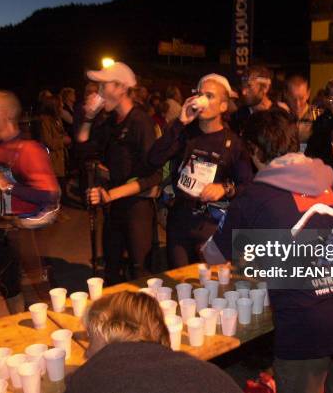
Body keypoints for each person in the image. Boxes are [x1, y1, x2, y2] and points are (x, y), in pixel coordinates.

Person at [202, 109, 333, 393]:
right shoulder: (331, 179)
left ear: (256, 151)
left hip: (308, 320)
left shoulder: (254, 195)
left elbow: (214, 255)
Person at [148, 73, 253, 269]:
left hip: (212, 226)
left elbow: (247, 185)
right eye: (200, 93)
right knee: (181, 284)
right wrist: (180, 122)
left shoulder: (234, 144)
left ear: (223, 106)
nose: (202, 99)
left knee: (211, 287)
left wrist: (224, 188)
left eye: (210, 95)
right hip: (180, 220)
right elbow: (154, 159)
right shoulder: (184, 133)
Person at [79, 62, 162, 284]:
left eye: (103, 86)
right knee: (111, 268)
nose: (99, 92)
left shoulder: (140, 121)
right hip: (113, 206)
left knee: (139, 272)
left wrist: (112, 194)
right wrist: (88, 117)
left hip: (136, 207)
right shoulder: (109, 122)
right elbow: (84, 148)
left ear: (121, 88)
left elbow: (154, 176)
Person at [0, 90, 59, 312]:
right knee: (9, 288)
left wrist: (9, 185)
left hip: (26, 230)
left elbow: (49, 195)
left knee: (42, 290)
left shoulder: (28, 149)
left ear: (6, 114)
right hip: (3, 229)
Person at [68, 291, 242, 393]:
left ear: (108, 328)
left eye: (90, 337)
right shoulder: (209, 373)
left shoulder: (92, 378)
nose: (87, 352)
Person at [278, 75, 323, 152]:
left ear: (308, 94)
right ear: (286, 94)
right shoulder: (279, 115)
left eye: (301, 98)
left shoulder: (318, 114)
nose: (297, 104)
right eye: (293, 98)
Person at [230, 65, 275, 135]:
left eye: (249, 86)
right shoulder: (238, 116)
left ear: (265, 88)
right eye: (243, 86)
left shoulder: (277, 117)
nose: (243, 92)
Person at [38, 95, 68, 182]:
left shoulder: (57, 119)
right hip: (53, 161)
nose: (62, 105)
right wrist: (63, 141)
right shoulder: (45, 122)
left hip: (60, 159)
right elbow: (47, 141)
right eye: (60, 103)